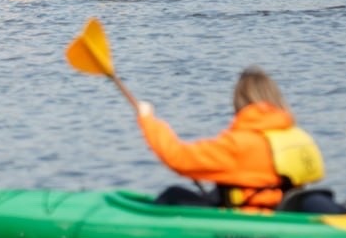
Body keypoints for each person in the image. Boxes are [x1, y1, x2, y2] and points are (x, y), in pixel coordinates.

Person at [135, 66, 326, 209]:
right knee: (217, 192)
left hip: (249, 218)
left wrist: (148, 120)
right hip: (281, 210)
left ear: (239, 101)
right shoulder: (294, 136)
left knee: (172, 195)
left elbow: (177, 157)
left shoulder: (239, 144)